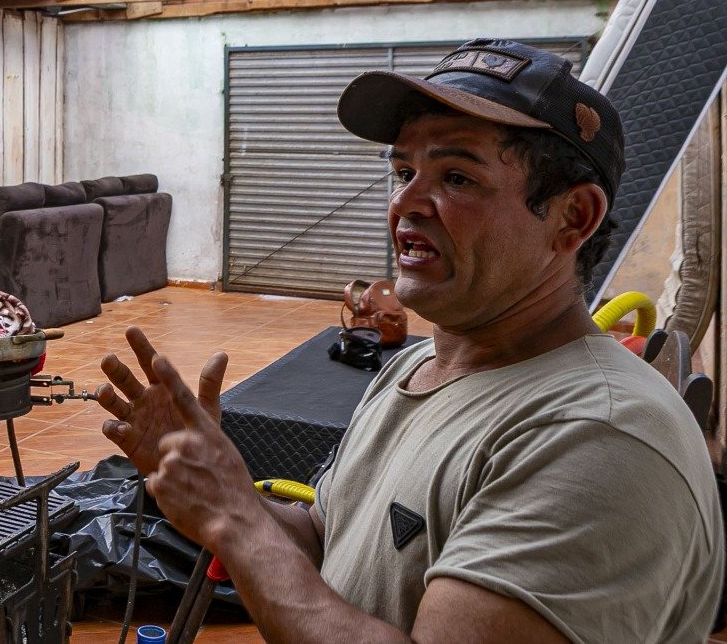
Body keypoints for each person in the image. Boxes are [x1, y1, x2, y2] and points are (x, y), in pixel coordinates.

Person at [97, 38, 724, 643]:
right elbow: (324, 542)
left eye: (456, 177)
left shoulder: (598, 437)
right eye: (403, 170)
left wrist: (232, 519)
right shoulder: (415, 368)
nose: (406, 203)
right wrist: (222, 488)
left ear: (572, 218)